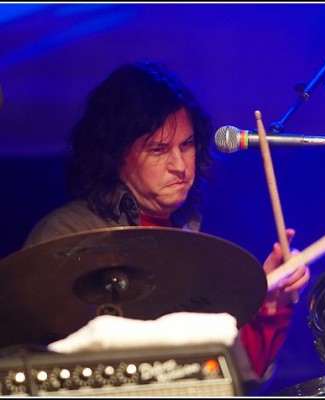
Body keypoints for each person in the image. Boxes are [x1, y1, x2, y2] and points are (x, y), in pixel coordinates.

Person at [23, 61, 310, 393]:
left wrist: (270, 308)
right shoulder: (67, 233)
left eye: (186, 145)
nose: (180, 166)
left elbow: (234, 378)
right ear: (115, 155)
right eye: (159, 149)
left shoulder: (193, 243)